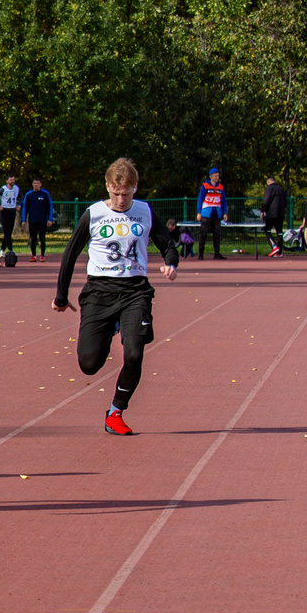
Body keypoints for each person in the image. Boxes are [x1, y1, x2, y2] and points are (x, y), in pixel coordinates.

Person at [55, 157, 182, 436]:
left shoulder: (145, 212)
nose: (120, 199)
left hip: (135, 292)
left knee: (134, 353)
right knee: (89, 365)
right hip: (99, 293)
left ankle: (116, 411)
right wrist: (61, 296)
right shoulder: (93, 213)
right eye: (115, 192)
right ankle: (112, 324)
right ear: (107, 186)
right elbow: (70, 254)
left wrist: (171, 264)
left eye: (125, 193)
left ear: (135, 188)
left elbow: (168, 246)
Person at [197, 168, 226, 259]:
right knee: (203, 233)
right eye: (215, 176)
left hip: (217, 213)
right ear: (211, 176)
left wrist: (225, 212)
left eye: (218, 175)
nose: (217, 177)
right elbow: (200, 200)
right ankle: (201, 253)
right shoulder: (205, 186)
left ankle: (217, 253)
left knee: (217, 234)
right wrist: (199, 212)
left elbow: (223, 201)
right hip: (206, 213)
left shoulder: (220, 187)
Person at [260, 175, 290, 257]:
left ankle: (274, 246)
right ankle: (280, 251)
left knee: (267, 230)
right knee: (279, 232)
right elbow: (285, 202)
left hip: (271, 214)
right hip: (280, 214)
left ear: (268, 182)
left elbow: (266, 200)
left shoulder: (269, 188)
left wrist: (262, 211)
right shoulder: (281, 189)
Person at [23, 177, 53, 255]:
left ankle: (42, 255)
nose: (36, 185)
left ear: (40, 184)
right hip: (32, 220)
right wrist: (23, 220)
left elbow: (50, 206)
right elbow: (25, 207)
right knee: (33, 238)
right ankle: (33, 255)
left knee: (42, 238)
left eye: (38, 183)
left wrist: (50, 219)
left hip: (42, 220)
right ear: (32, 184)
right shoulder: (28, 194)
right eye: (35, 183)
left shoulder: (45, 194)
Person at [0, 176, 21, 255]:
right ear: (7, 181)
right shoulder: (3, 189)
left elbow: (21, 197)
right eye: (11, 180)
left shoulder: (16, 188)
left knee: (9, 232)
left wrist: (19, 205)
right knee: (6, 231)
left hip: (12, 211)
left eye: (14, 179)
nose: (13, 181)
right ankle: (10, 250)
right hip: (4, 211)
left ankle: (1, 250)